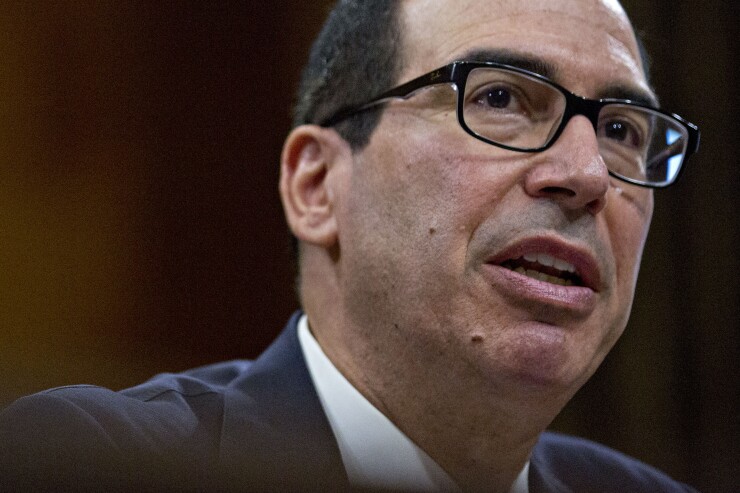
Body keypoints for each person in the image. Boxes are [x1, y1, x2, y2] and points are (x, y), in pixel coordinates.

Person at [0, 0, 701, 491]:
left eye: (622, 132)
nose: (584, 175)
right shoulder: (87, 462)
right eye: (500, 99)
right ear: (317, 186)